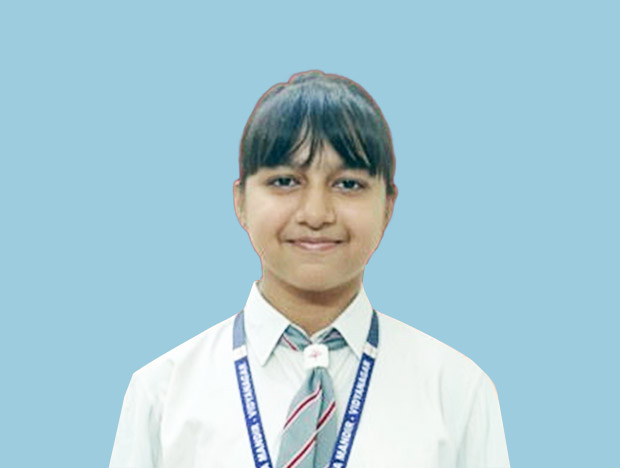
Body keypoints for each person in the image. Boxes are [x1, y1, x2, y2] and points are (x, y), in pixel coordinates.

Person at [109, 71, 511, 468]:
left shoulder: (458, 393)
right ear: (241, 202)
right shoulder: (162, 394)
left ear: (388, 206)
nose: (316, 214)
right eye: (285, 181)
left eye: (348, 184)